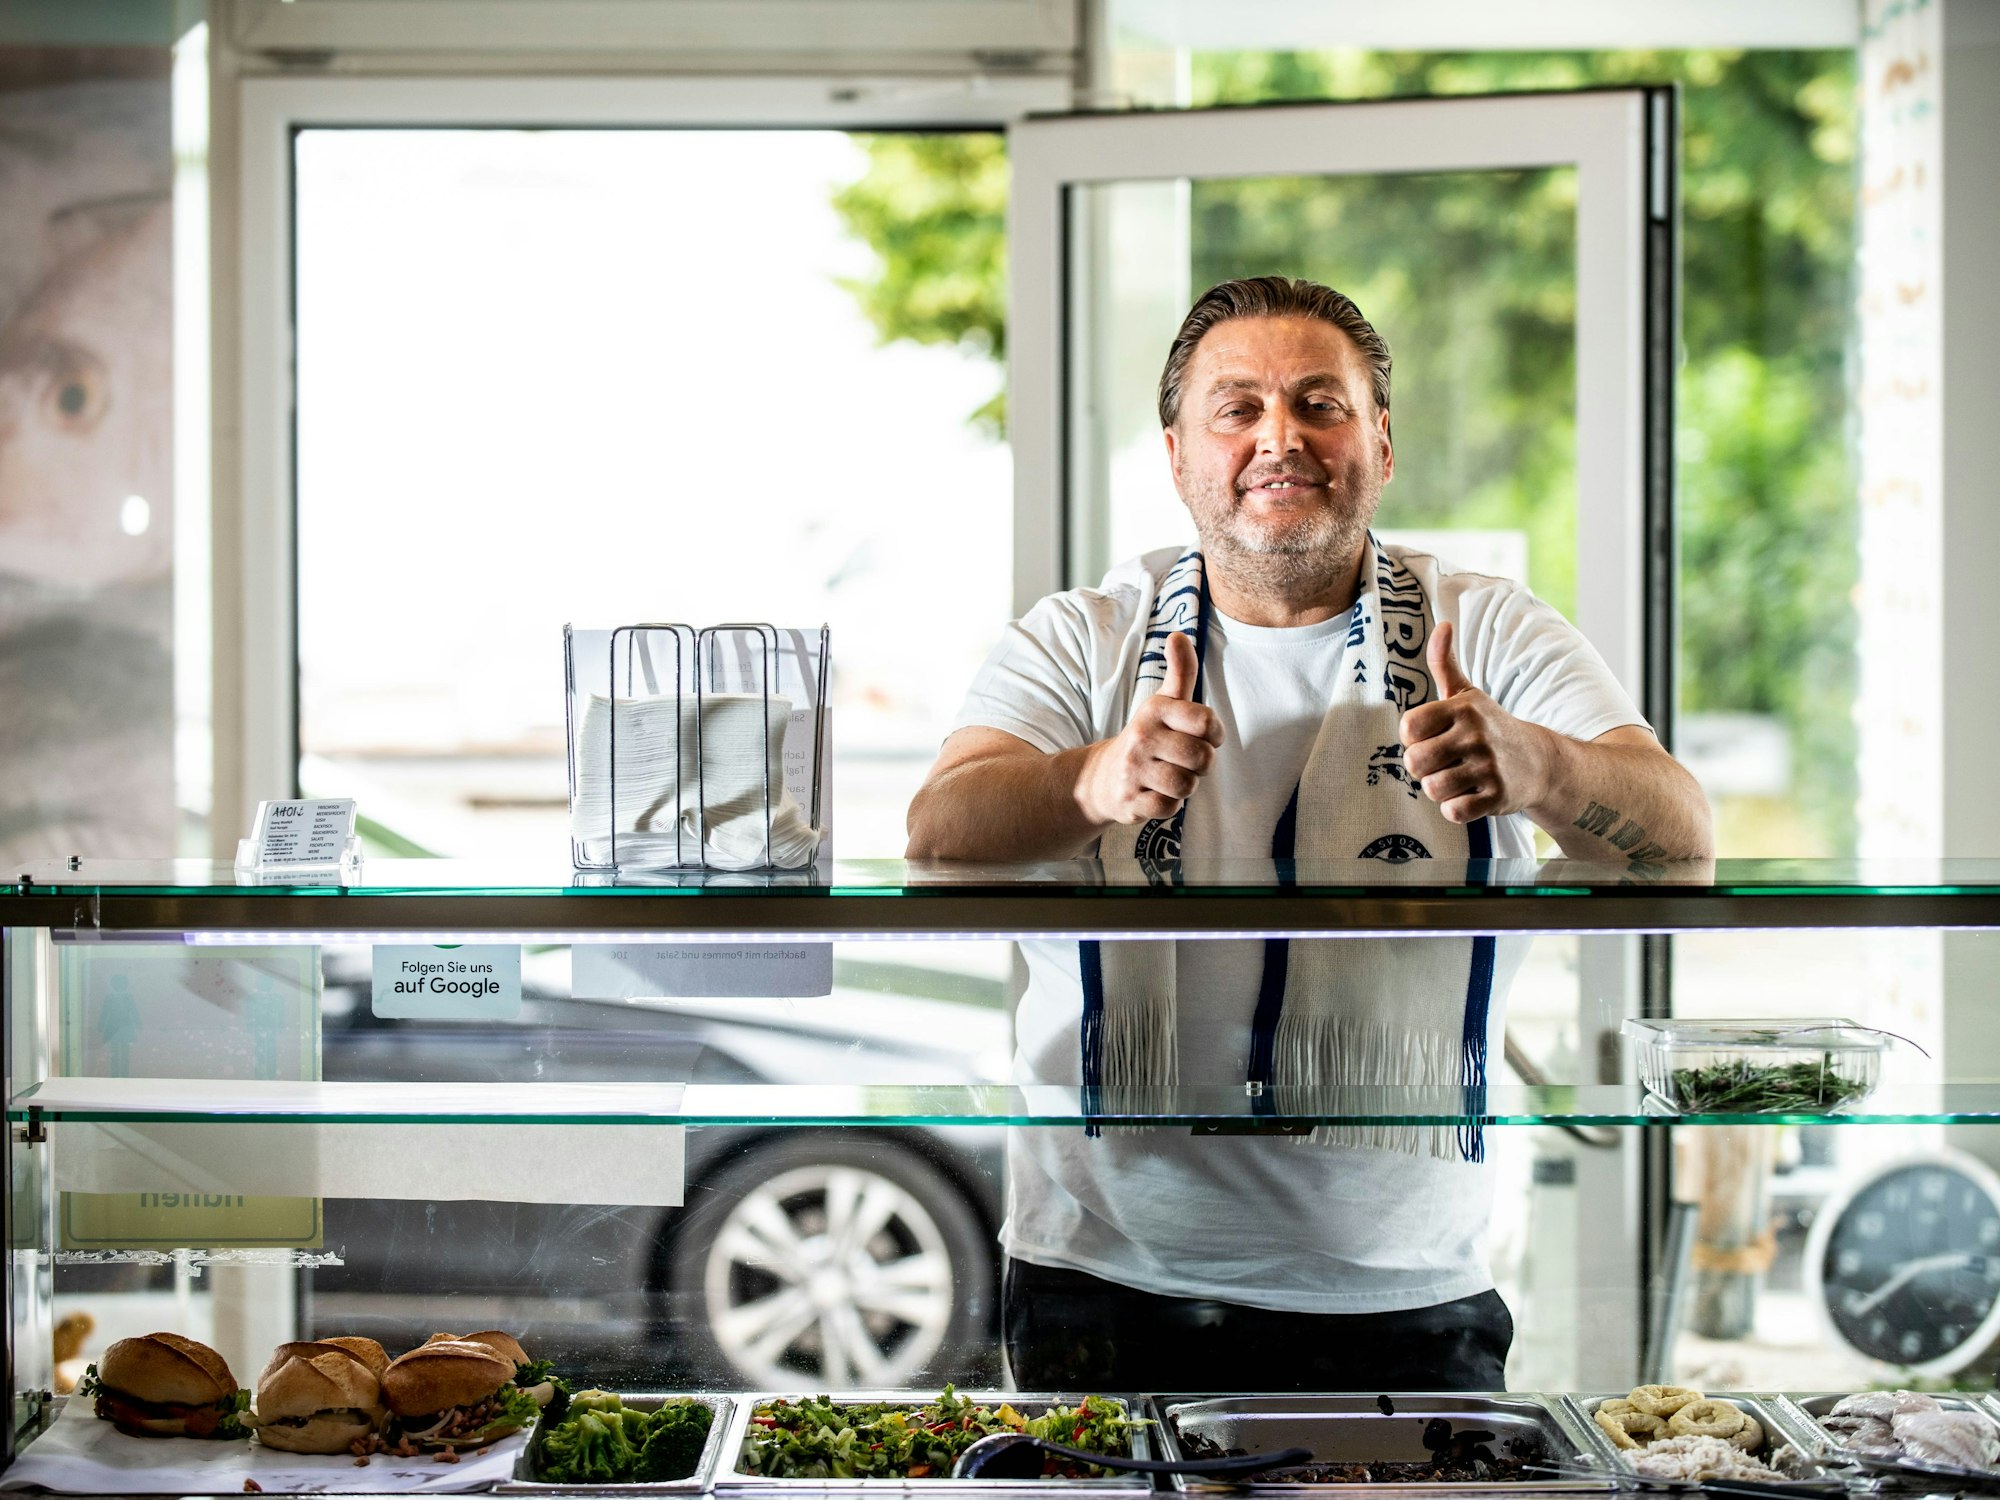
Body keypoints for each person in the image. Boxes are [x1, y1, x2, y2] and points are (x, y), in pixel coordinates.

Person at [906, 276, 1712, 1391]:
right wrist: (1094, 776)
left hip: (1405, 1287)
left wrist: (1538, 763)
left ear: (1380, 443)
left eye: (1319, 404)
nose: (1278, 436)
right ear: (1177, 454)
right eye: (1237, 408)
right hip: (1101, 1275)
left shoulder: (1485, 626)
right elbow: (939, 830)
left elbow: (1680, 833)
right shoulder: (1083, 636)